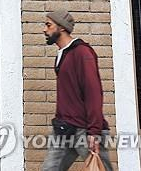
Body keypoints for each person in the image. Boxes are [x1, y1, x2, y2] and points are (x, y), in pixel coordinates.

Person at [41, 10, 113, 171]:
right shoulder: (62, 54)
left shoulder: (82, 52)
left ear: (62, 28)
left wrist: (94, 132)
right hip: (64, 127)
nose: (45, 30)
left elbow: (93, 92)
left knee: (101, 168)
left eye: (48, 25)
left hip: (84, 129)